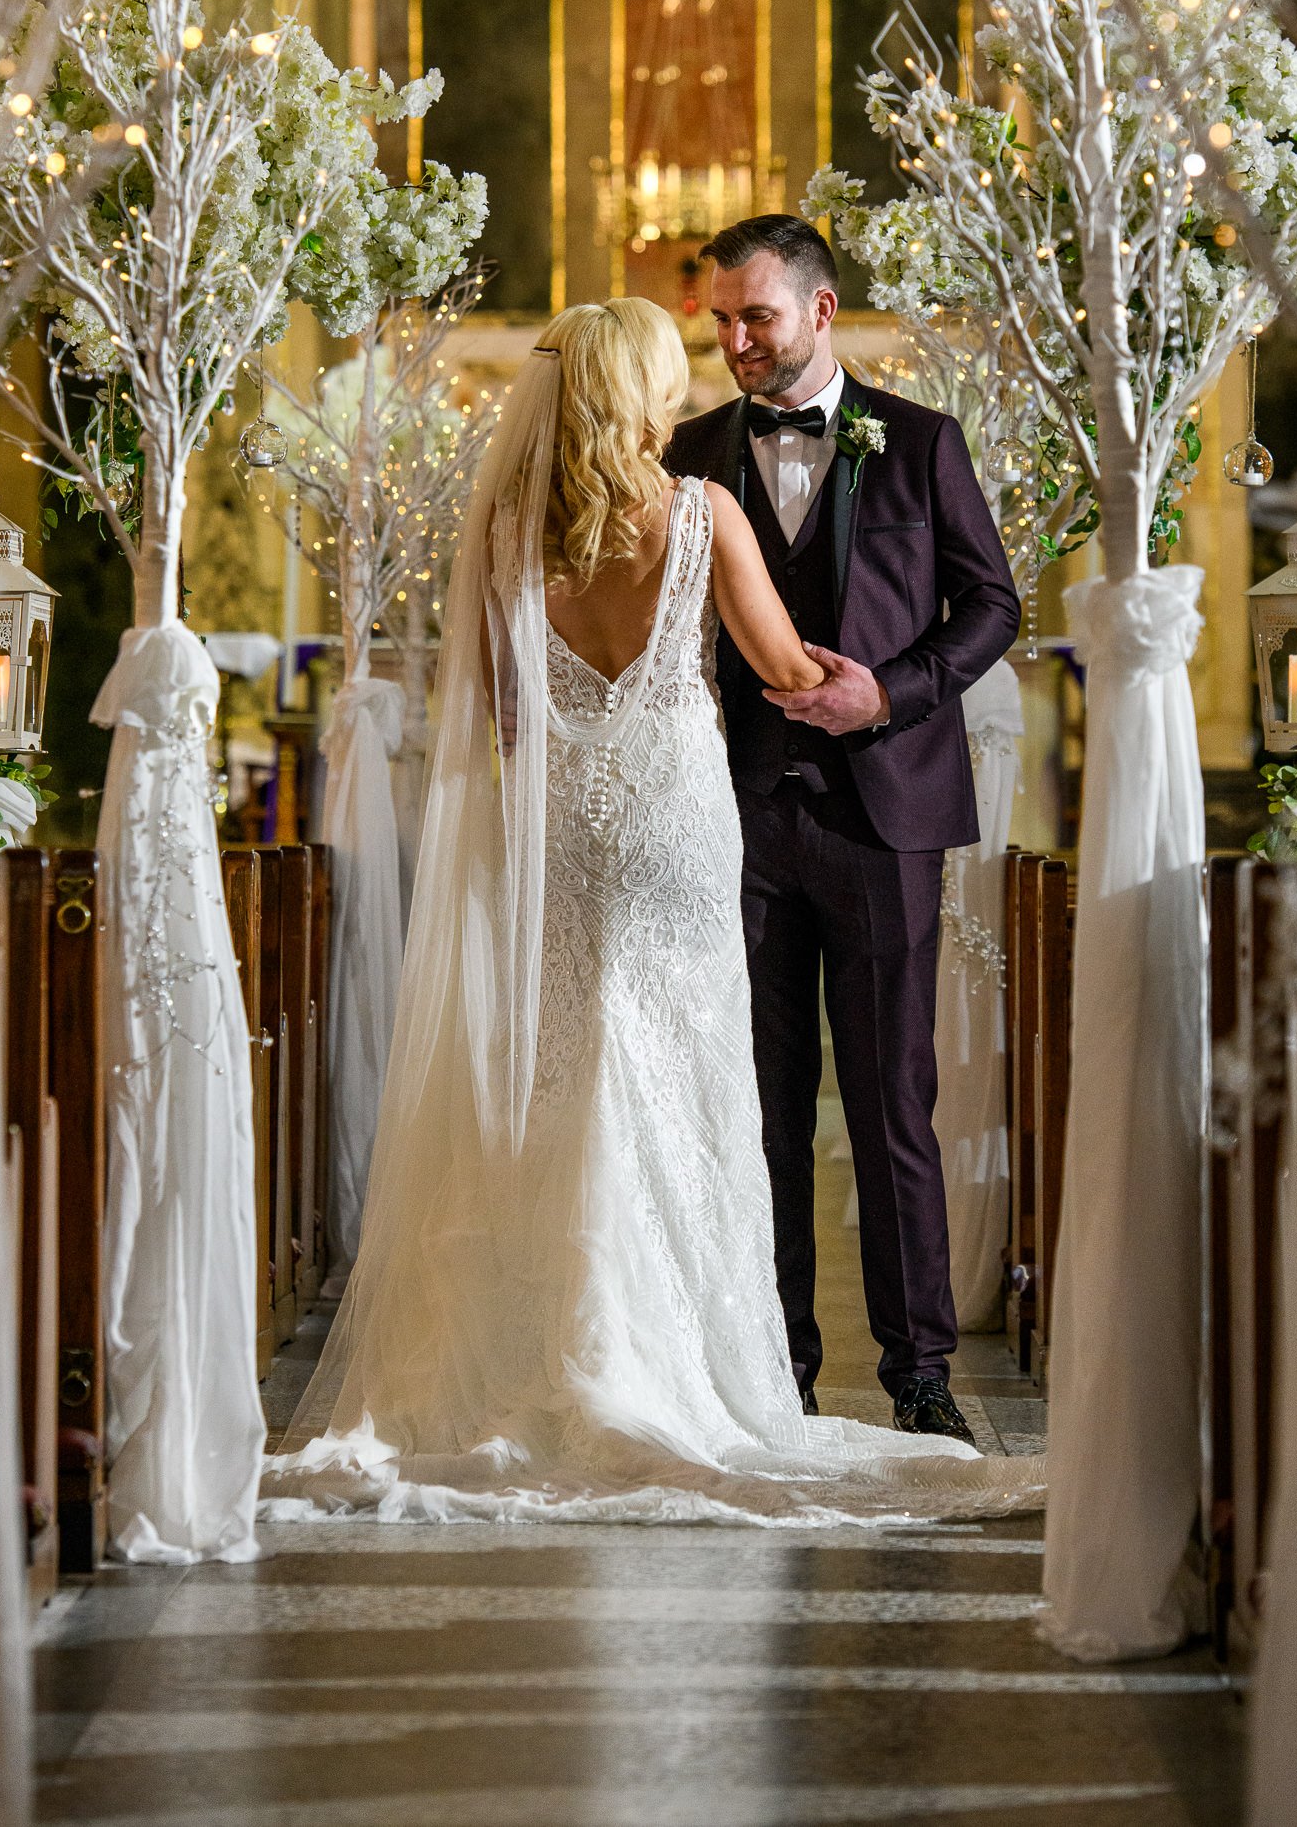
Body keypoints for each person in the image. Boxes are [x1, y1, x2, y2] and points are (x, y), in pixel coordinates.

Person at [263, 299, 1039, 1525]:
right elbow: (784, 672)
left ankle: (557, 1348)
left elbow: (502, 715)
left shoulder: (508, 533)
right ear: (636, 389)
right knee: (679, 1075)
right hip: (677, 824)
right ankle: (678, 1359)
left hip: (562, 826)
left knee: (570, 1068)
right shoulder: (699, 514)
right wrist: (869, 685)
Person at [667, 219, 1021, 1442]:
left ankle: (918, 1375)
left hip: (886, 817)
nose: (732, 340)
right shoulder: (687, 452)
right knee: (757, 1103)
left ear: (820, 312)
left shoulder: (918, 441)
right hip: (740, 818)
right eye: (719, 319)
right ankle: (779, 1370)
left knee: (890, 1105)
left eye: (752, 316)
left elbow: (990, 603)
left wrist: (891, 692)